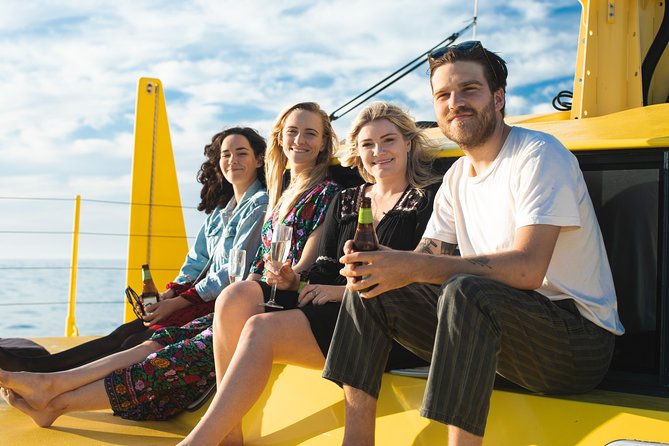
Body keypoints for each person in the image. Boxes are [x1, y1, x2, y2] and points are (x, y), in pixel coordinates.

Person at [322, 41, 625, 446]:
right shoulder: (456, 178)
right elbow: (425, 259)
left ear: (498, 98)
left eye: (469, 90)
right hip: (502, 335)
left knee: (467, 290)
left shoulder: (538, 155)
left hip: (576, 342)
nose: (455, 103)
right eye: (443, 95)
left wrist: (415, 267)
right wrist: (382, 263)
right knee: (372, 286)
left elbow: (527, 269)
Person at [0, 101, 340, 426]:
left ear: (324, 142)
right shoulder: (279, 195)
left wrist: (190, 298)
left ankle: (54, 397)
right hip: (242, 299)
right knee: (154, 342)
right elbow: (207, 263)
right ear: (280, 137)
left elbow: (300, 267)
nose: (300, 140)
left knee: (168, 354)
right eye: (293, 131)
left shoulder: (325, 192)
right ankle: (51, 386)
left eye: (310, 133)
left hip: (269, 307)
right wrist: (174, 294)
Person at [177, 101, 440, 446]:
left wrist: (338, 292)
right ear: (358, 153)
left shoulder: (429, 198)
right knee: (235, 294)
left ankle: (200, 441)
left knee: (261, 329)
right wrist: (294, 281)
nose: (378, 152)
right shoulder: (349, 199)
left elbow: (426, 273)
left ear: (408, 142)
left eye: (388, 141)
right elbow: (325, 266)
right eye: (367, 145)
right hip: (332, 308)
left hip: (395, 322)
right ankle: (228, 435)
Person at [0, 127, 269, 373]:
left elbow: (233, 272)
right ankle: (36, 368)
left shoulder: (260, 205)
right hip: (197, 297)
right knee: (123, 333)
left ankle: (49, 379)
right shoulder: (221, 211)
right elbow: (196, 263)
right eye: (226, 154)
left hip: (222, 304)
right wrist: (167, 294)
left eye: (241, 153)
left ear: (258, 160)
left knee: (134, 340)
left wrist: (176, 303)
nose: (232, 160)